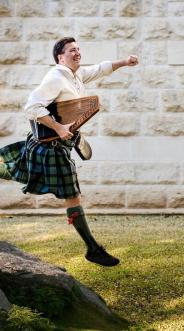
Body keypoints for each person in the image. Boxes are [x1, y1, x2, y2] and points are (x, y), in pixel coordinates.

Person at [0, 37, 138, 267]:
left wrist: (124, 62)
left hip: (53, 147)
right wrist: (58, 127)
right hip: (49, 148)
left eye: (78, 49)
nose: (77, 53)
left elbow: (99, 69)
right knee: (71, 195)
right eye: (72, 50)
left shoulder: (75, 75)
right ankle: (93, 249)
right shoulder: (56, 77)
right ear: (60, 57)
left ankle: (92, 248)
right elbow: (32, 106)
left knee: (14, 170)